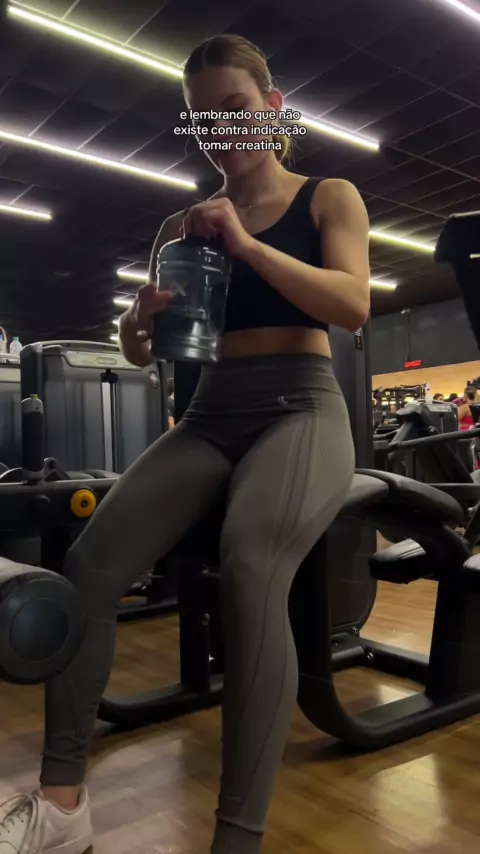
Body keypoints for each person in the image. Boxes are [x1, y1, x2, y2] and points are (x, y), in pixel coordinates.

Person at [0, 34, 370, 854]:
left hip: (300, 409)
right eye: (204, 118)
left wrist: (247, 245)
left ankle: (236, 840)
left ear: (273, 108)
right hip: (209, 415)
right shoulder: (181, 225)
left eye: (235, 109)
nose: (220, 130)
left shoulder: (327, 196)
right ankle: (62, 806)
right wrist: (138, 324)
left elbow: (351, 305)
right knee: (90, 565)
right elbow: (146, 352)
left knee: (250, 567)